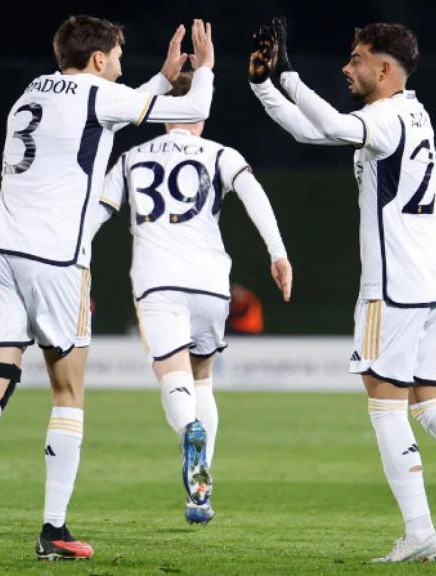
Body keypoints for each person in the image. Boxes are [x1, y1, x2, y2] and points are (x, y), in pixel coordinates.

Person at [0, 16, 216, 564]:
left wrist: (161, 79)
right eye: (117, 55)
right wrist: (203, 70)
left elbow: (105, 112)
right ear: (98, 60)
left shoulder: (29, 93)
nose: (121, 66)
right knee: (67, 391)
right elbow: (186, 113)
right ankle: (54, 530)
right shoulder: (100, 92)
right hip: (57, 259)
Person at [248, 19, 436, 563]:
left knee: (386, 408)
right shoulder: (412, 112)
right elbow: (313, 131)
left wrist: (289, 74)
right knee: (431, 402)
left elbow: (331, 123)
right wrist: (263, 85)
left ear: (385, 68)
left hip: (392, 287)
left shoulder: (387, 116)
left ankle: (420, 534)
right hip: (433, 280)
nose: (348, 68)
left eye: (356, 59)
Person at [92, 70, 292, 525]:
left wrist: (75, 264)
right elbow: (253, 193)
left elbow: (98, 213)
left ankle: (189, 432)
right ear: (200, 107)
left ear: (166, 111)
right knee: (202, 377)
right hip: (210, 282)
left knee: (171, 376)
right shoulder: (221, 153)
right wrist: (278, 254)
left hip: (157, 280)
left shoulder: (132, 156)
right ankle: (201, 493)